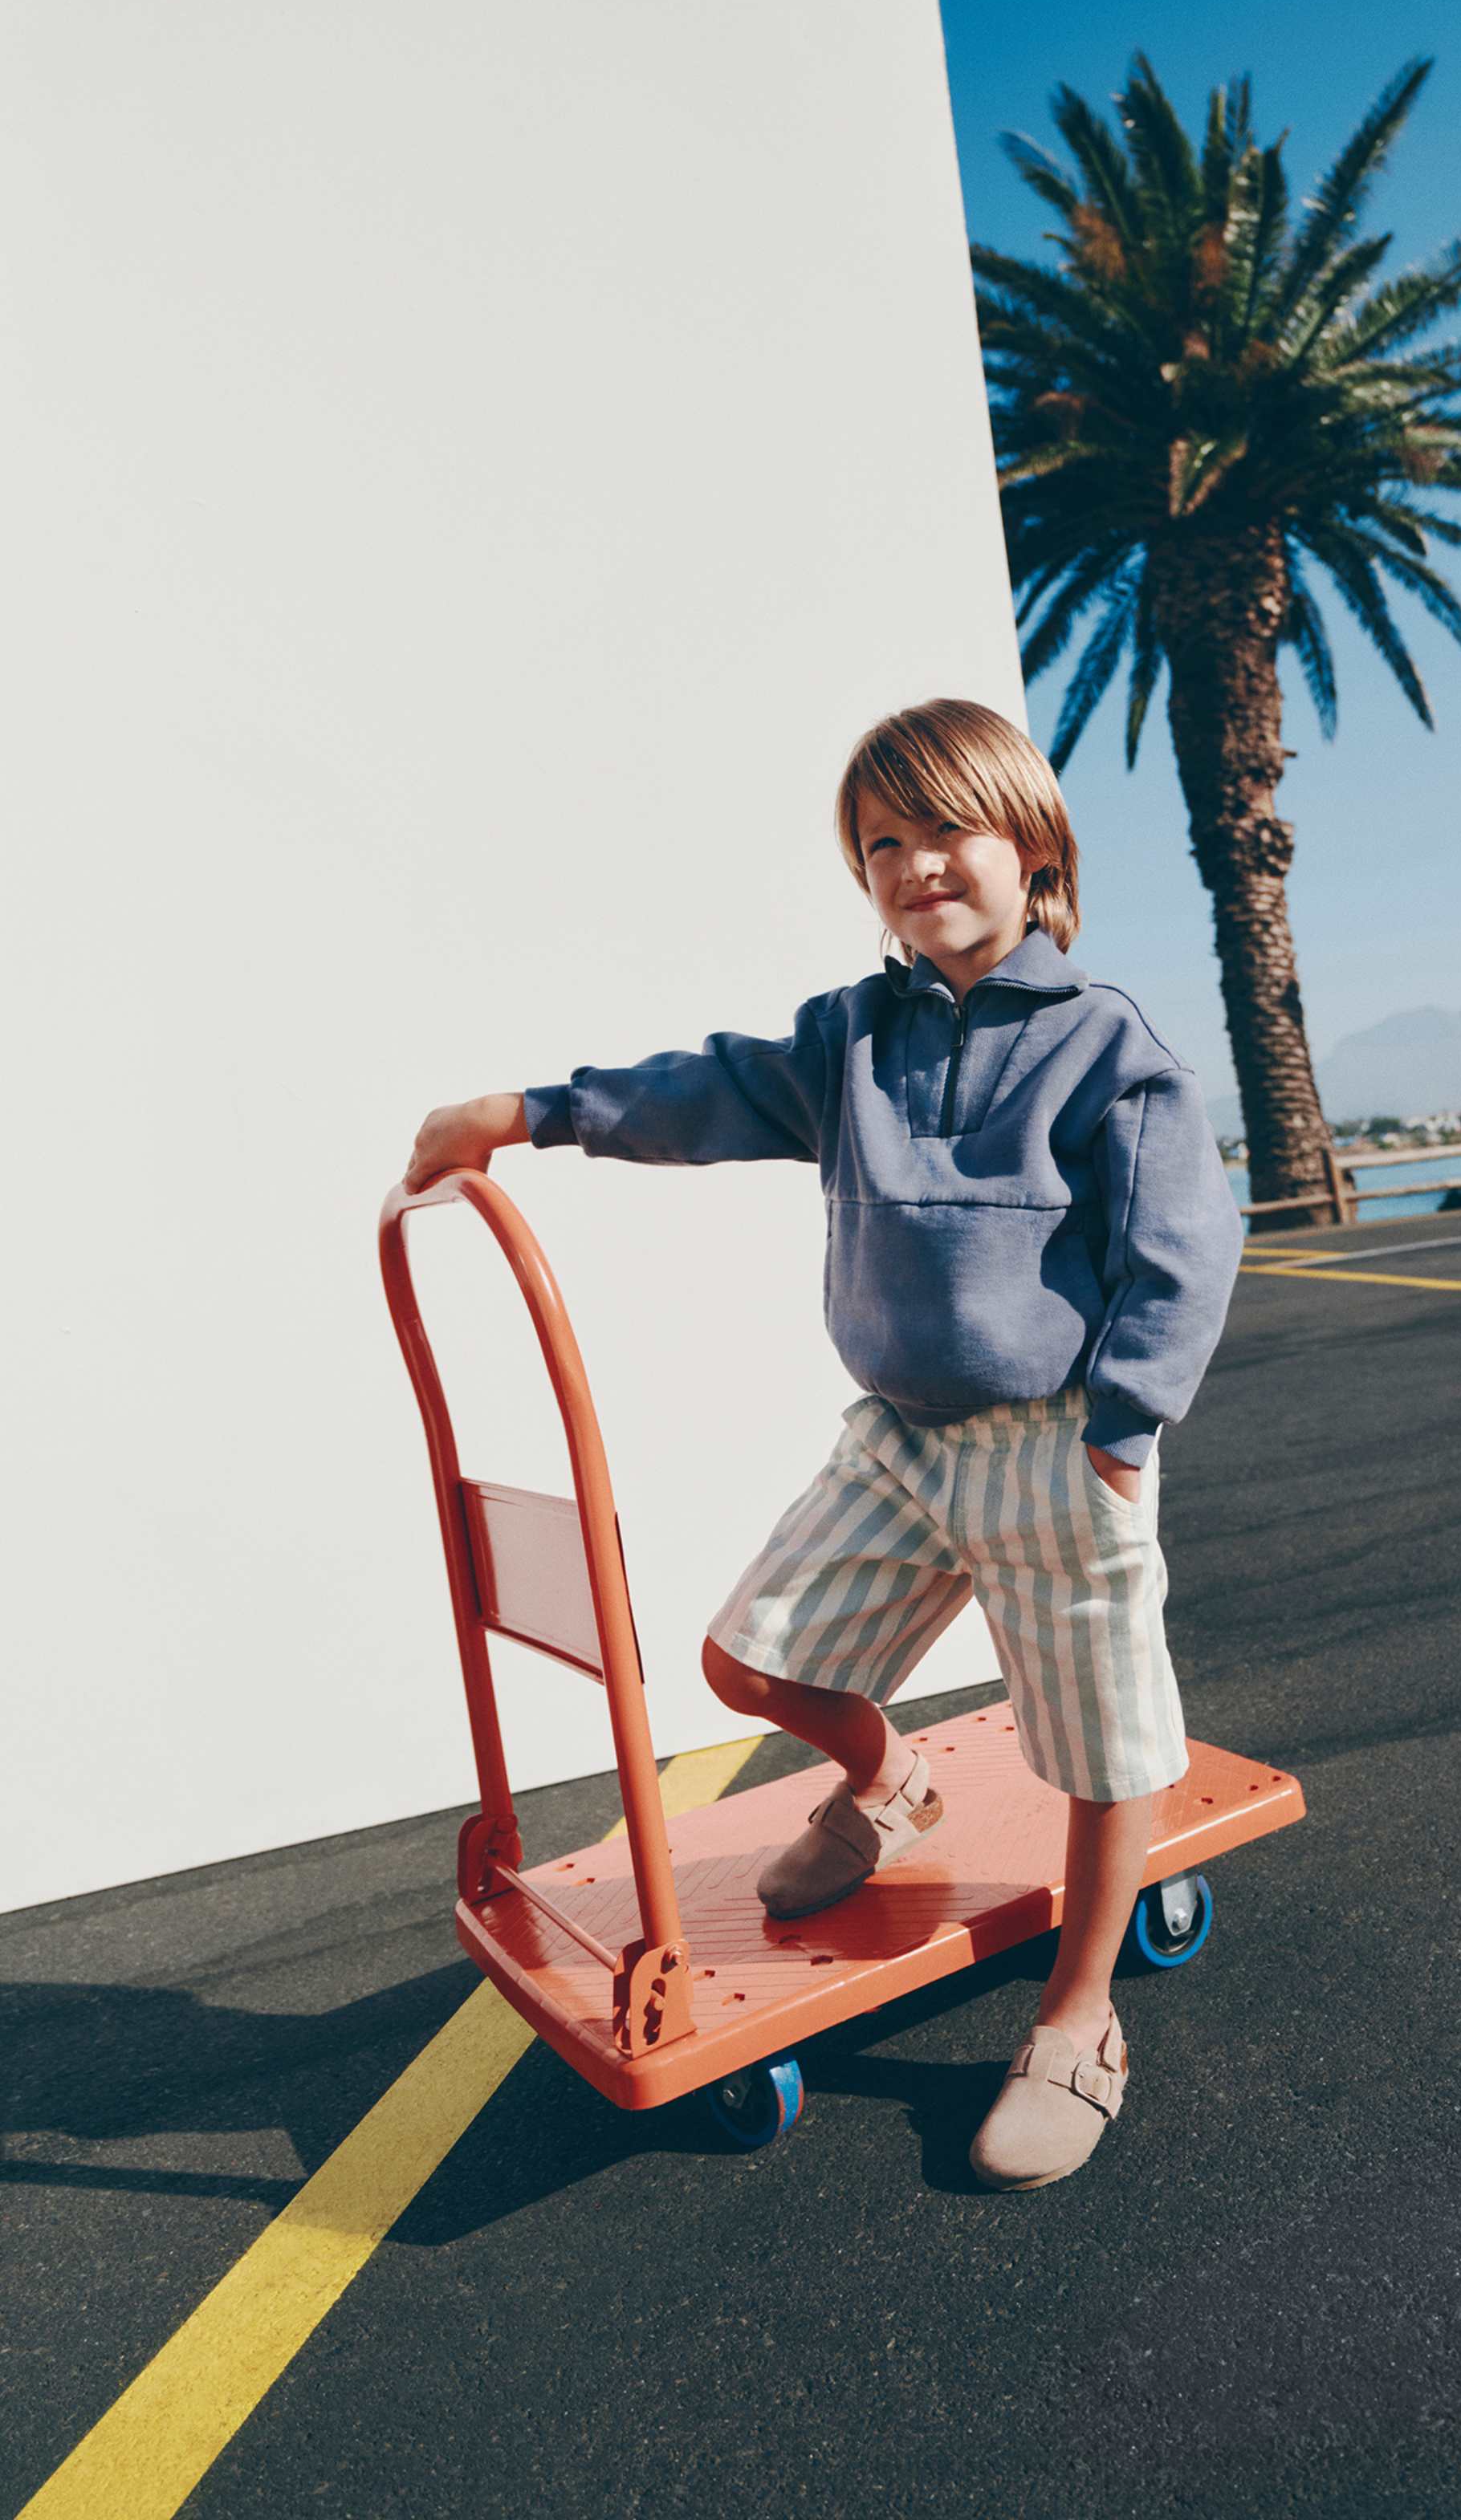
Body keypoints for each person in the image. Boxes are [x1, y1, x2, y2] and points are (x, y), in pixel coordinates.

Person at [402, 697, 1245, 2188]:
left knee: (1108, 1754)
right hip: (902, 1445)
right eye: (883, 844)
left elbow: (1184, 1247)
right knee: (751, 1656)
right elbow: (702, 1090)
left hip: (1058, 1443)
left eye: (948, 831)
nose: (918, 865)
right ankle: (885, 1785)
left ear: (1034, 849)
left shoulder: (1113, 1050)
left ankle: (1079, 2016)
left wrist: (1121, 1434)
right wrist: (526, 1112)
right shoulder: (849, 1040)